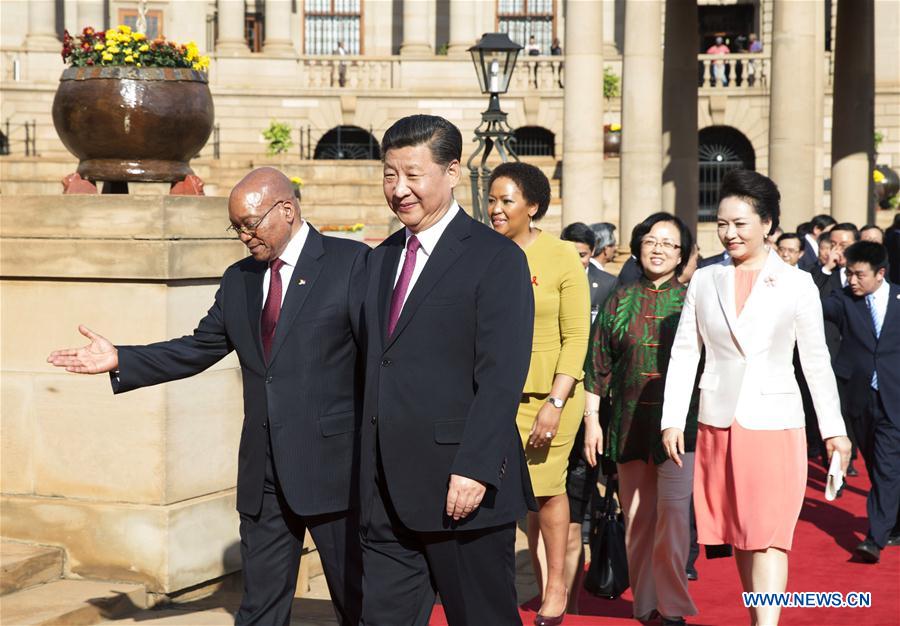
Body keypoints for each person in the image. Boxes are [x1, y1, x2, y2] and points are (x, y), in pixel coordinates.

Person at [47, 167, 367, 626]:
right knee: (258, 610)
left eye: (250, 223)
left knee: (360, 604)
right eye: (235, 226)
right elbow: (199, 348)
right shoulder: (238, 279)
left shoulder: (351, 263)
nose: (243, 236)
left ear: (287, 210)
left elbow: (380, 360)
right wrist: (121, 358)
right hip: (265, 474)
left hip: (338, 470)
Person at [358, 115, 536, 626]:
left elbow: (502, 374)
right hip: (385, 493)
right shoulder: (379, 258)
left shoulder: (495, 258)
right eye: (389, 175)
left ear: (453, 171)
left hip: (463, 493)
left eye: (412, 174)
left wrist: (476, 467)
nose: (399, 189)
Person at [660, 169, 851, 626]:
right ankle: (759, 618)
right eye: (722, 223)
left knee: (768, 535)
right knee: (740, 536)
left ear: (767, 224)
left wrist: (834, 430)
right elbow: (686, 352)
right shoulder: (705, 280)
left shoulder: (796, 283)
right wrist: (672, 418)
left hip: (775, 423)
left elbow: (816, 361)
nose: (729, 233)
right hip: (717, 423)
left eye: (740, 223)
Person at [584, 212, 699, 626]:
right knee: (637, 518)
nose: (659, 249)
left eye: (669, 244)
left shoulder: (692, 300)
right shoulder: (620, 296)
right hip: (627, 424)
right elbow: (597, 362)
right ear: (639, 245)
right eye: (652, 240)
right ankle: (645, 605)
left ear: (682, 255)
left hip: (679, 429)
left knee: (672, 517)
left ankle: (672, 606)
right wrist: (593, 420)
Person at [489, 161, 590, 625]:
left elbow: (577, 337)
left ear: (533, 206)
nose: (495, 209)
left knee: (547, 489)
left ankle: (556, 586)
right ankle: (533, 576)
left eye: (506, 201)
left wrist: (555, 401)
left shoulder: (561, 255)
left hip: (551, 395)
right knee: (522, 494)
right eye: (491, 199)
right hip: (496, 392)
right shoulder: (484, 252)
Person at [821, 241, 900, 563]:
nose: (852, 281)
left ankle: (874, 538)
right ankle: (894, 522)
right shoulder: (843, 301)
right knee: (878, 463)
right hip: (858, 398)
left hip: (894, 398)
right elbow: (813, 304)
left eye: (859, 275)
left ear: (880, 273)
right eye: (848, 274)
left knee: (886, 468)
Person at [560, 221, 615, 613]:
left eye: (581, 254)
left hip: (592, 405)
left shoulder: (609, 286)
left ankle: (575, 592)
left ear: (591, 253)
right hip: (550, 400)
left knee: (581, 502)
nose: (576, 261)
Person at [562, 221, 616, 323]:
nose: (576, 261)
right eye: (571, 255)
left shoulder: (608, 284)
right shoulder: (550, 279)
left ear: (593, 251)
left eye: (582, 255)